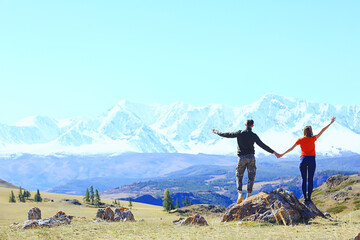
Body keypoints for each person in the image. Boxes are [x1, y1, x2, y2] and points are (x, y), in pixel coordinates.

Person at [213, 119, 280, 204]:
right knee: (251, 176)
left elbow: (228, 134)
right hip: (251, 157)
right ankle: (248, 195)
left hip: (241, 158)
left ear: (245, 124)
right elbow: (262, 145)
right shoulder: (253, 135)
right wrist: (274, 153)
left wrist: (217, 132)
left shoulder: (239, 133)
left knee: (239, 175)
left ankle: (240, 194)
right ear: (252, 126)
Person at [279, 117, 336, 204]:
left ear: (304, 132)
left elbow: (291, 148)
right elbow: (322, 130)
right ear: (311, 131)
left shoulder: (300, 140)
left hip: (303, 160)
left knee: (303, 179)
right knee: (310, 179)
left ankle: (305, 198)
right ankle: (309, 197)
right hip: (312, 160)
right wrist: (330, 123)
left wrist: (282, 154)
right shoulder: (313, 138)